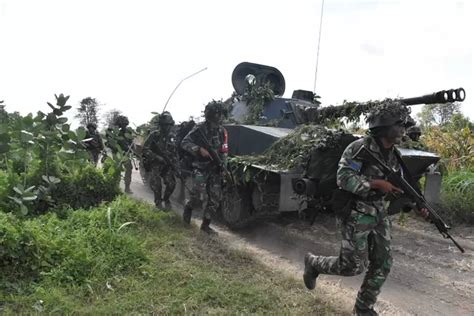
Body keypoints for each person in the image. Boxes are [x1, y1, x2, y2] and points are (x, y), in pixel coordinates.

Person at [303, 100, 428, 316]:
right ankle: (314, 263)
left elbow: (403, 182)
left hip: (379, 213)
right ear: (384, 126)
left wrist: (418, 204)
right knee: (352, 266)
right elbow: (343, 178)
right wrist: (375, 184)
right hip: (355, 213)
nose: (403, 129)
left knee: (383, 263)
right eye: (399, 124)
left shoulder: (393, 153)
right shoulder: (359, 148)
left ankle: (363, 308)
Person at [181, 101, 228, 235]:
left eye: (220, 114)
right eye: (216, 114)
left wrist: (223, 166)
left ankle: (205, 226)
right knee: (198, 198)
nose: (219, 117)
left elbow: (224, 151)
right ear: (210, 114)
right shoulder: (199, 129)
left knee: (214, 199)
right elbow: (185, 142)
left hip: (215, 168)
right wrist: (198, 149)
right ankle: (188, 209)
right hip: (201, 167)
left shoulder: (222, 131)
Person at [142, 111, 178, 209]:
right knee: (156, 183)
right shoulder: (154, 135)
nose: (166, 127)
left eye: (168, 125)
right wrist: (157, 157)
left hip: (167, 164)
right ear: (160, 125)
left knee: (171, 184)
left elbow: (175, 153)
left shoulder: (173, 137)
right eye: (164, 125)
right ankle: (158, 201)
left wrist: (175, 165)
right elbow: (145, 149)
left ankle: (166, 199)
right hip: (156, 164)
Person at [105, 115, 134, 193]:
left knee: (129, 169)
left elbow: (131, 142)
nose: (124, 126)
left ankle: (127, 188)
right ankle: (116, 187)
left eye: (125, 124)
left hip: (125, 154)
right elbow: (108, 142)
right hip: (117, 154)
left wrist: (131, 148)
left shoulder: (128, 132)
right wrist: (115, 147)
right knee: (117, 170)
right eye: (122, 124)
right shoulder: (114, 132)